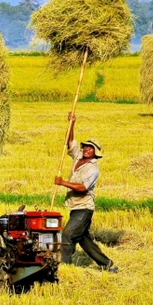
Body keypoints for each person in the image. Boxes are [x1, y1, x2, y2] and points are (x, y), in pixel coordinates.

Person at [53, 112, 118, 272]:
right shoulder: (78, 157)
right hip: (74, 207)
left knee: (67, 235)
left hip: (84, 209)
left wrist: (62, 183)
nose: (88, 149)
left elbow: (82, 188)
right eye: (87, 147)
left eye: (91, 148)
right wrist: (72, 123)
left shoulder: (93, 169)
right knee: (83, 239)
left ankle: (63, 268)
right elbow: (70, 142)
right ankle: (107, 264)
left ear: (95, 153)